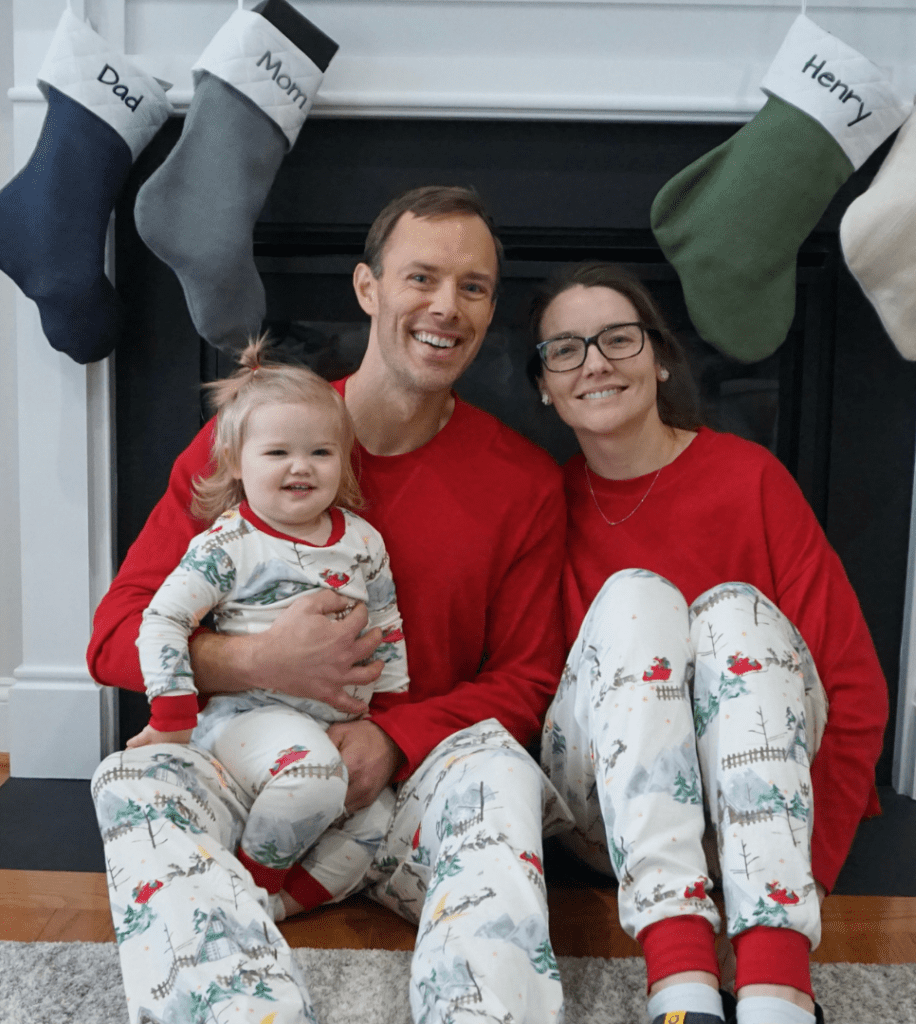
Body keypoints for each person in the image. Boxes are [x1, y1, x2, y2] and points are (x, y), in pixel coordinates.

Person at [88, 186, 572, 1024]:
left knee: (501, 772)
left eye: (474, 287)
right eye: (421, 277)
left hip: (411, 799)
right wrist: (253, 660)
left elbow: (528, 679)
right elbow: (114, 635)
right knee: (130, 780)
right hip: (249, 786)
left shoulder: (523, 481)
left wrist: (392, 737)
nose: (446, 308)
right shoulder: (253, 441)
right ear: (367, 288)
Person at [528, 263, 889, 1024]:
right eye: (565, 349)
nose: (594, 361)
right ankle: (681, 970)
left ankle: (775, 980)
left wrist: (811, 874)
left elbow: (853, 688)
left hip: (761, 811)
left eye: (617, 339)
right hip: (612, 821)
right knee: (635, 598)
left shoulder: (749, 478)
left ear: (658, 358)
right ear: (545, 387)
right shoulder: (541, 504)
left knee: (730, 613)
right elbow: (535, 692)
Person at [128, 338, 410, 904]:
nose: (301, 467)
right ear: (236, 461)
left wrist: (390, 713)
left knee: (378, 816)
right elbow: (161, 619)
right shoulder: (230, 543)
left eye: (321, 453)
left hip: (332, 725)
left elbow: (387, 623)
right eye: (277, 453)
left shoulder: (362, 541)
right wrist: (172, 715)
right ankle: (251, 885)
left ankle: (280, 906)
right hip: (248, 719)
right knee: (314, 780)